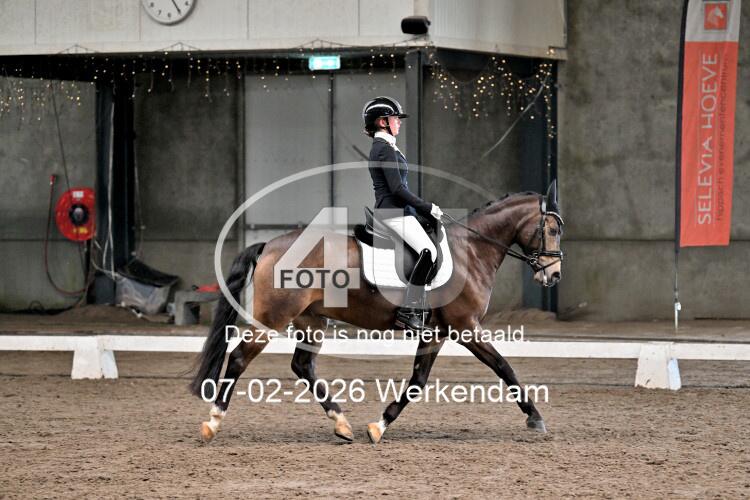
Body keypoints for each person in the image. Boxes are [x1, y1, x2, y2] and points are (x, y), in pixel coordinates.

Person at [362, 96, 443, 331]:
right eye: (395, 118)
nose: (399, 122)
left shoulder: (386, 147)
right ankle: (409, 310)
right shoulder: (384, 149)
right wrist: (426, 207)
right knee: (428, 252)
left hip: (400, 211)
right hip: (393, 213)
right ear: (382, 122)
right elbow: (397, 189)